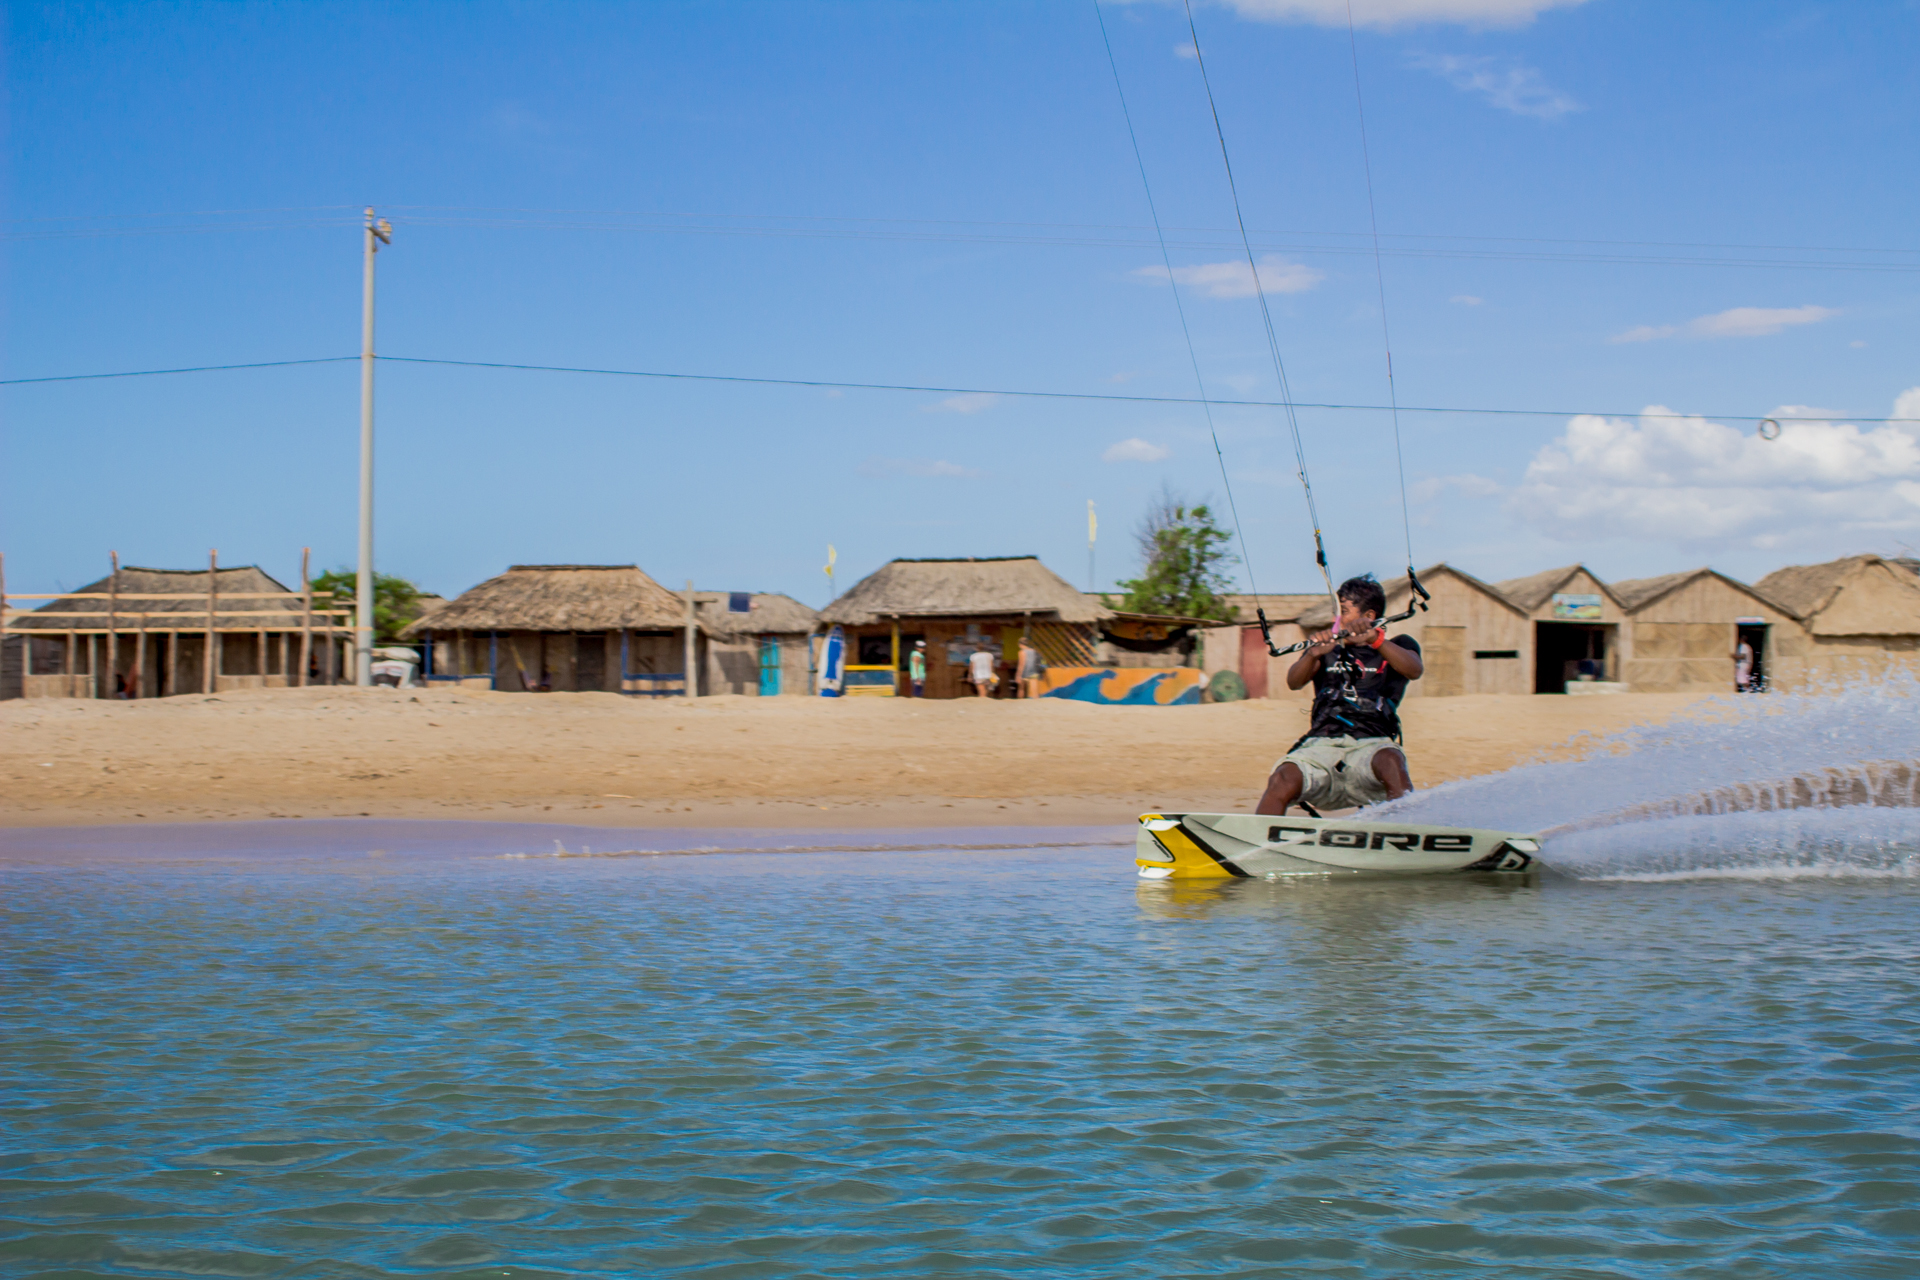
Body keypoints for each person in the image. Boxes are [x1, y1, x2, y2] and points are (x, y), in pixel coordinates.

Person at [1256, 574, 1424, 815]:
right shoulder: (1328, 650)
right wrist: (1313, 654)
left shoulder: (1398, 645)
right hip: (1322, 745)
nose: (1338, 619)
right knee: (1282, 777)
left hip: (1371, 746)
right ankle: (1258, 840)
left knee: (1391, 762)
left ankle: (1407, 832)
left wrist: (1374, 639)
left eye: (1344, 611)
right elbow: (1294, 682)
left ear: (1369, 616)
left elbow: (1414, 669)